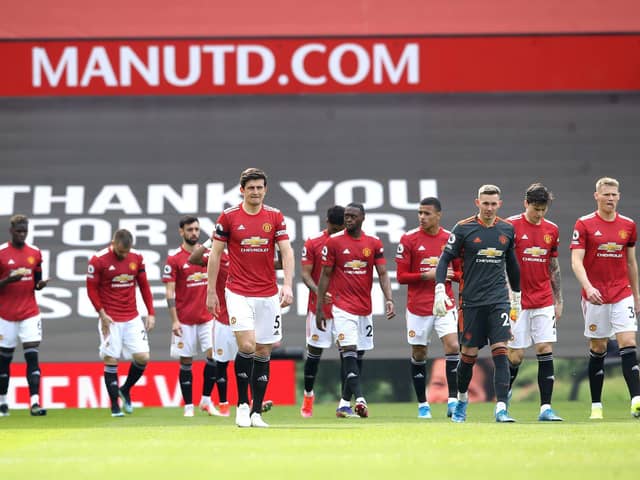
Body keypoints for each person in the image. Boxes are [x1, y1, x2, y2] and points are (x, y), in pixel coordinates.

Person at [206, 168, 294, 428]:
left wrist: (287, 285)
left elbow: (287, 252)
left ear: (265, 189)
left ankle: (257, 412)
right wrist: (211, 290)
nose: (255, 192)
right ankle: (242, 405)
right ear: (241, 190)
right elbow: (214, 254)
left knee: (264, 350)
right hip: (238, 292)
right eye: (251, 188)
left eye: (260, 187)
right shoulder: (229, 217)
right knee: (247, 346)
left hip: (268, 294)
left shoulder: (275, 216)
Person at [434, 184, 521, 423]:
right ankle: (462, 400)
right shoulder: (463, 229)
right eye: (486, 203)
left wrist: (517, 296)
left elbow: (512, 264)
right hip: (471, 302)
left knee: (501, 352)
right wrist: (440, 288)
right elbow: (444, 261)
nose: (490, 208)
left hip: (498, 300)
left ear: (499, 204)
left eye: (494, 204)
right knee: (468, 356)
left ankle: (501, 408)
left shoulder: (507, 229)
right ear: (477, 203)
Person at [316, 203, 395, 418]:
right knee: (348, 351)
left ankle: (343, 403)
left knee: (358, 355)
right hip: (342, 307)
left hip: (364, 308)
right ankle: (360, 399)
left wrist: (389, 299)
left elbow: (383, 273)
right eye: (346, 216)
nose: (348, 219)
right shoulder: (333, 242)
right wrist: (320, 307)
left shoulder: (373, 243)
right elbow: (325, 275)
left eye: (353, 216)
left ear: (363, 218)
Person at [570, 177, 640, 419]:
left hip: (622, 293)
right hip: (596, 296)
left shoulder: (628, 225)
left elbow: (631, 262)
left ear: (619, 196)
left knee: (628, 341)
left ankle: (636, 400)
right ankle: (596, 406)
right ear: (596, 196)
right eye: (606, 194)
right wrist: (588, 287)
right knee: (598, 347)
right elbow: (576, 261)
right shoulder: (585, 224)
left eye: (614, 194)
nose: (610, 198)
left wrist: (636, 295)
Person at [395, 197, 461, 419]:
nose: (422, 217)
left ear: (438, 215)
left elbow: (461, 272)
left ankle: (452, 401)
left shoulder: (450, 239)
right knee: (419, 352)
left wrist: (453, 276)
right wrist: (429, 275)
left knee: (453, 345)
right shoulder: (409, 239)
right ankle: (423, 404)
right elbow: (401, 276)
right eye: (420, 213)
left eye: (427, 213)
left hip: (444, 303)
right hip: (418, 306)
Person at [506, 183, 564, 421]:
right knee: (516, 356)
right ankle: (504, 394)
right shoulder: (510, 226)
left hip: (543, 299)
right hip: (516, 301)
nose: (539, 214)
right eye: (536, 208)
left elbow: (553, 265)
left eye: (543, 209)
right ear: (526, 203)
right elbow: (502, 263)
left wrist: (558, 298)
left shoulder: (552, 229)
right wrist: (508, 293)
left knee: (544, 348)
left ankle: (545, 408)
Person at [86, 229, 155, 417]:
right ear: (113, 243)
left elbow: (144, 286)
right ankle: (115, 406)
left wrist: (150, 312)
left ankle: (125, 389)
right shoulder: (98, 260)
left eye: (126, 252)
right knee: (111, 359)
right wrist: (101, 314)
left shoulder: (136, 258)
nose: (124, 255)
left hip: (132, 317)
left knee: (143, 357)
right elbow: (91, 290)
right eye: (121, 251)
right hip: (110, 319)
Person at [162, 216, 221, 417]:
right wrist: (174, 320)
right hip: (185, 320)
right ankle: (188, 406)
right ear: (181, 232)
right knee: (186, 362)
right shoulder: (174, 259)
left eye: (197, 229)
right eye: (190, 229)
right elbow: (169, 292)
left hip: (207, 318)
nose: (194, 233)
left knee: (214, 356)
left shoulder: (208, 255)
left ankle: (206, 400)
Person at [0, 215, 49, 417]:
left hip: (29, 312)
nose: (22, 234)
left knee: (32, 356)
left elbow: (36, 282)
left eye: (24, 231)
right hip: (5, 315)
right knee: (4, 361)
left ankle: (35, 403)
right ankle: (3, 402)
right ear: (11, 231)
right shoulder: (2, 253)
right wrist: (9, 280)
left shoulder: (35, 253)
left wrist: (40, 285)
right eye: (18, 231)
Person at [299, 205, 345, 418]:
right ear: (327, 223)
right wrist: (319, 291)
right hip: (319, 309)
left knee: (349, 355)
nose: (338, 232)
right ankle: (308, 395)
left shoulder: (351, 241)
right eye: (335, 228)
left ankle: (345, 402)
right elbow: (305, 275)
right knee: (314, 355)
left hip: (347, 309)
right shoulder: (313, 242)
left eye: (341, 228)